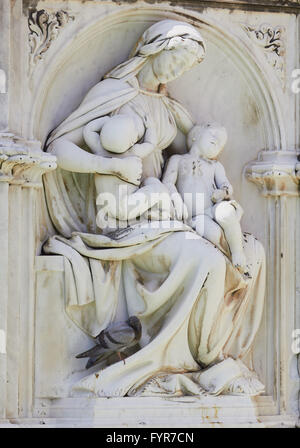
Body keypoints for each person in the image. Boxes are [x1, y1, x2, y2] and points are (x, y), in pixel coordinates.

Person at [43, 20, 266, 397]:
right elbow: (57, 149)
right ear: (153, 50)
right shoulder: (112, 94)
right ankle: (203, 359)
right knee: (208, 261)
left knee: (253, 250)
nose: (177, 73)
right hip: (125, 220)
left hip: (165, 213)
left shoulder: (169, 109)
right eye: (175, 62)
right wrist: (110, 166)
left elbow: (200, 147)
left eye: (184, 69)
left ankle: (202, 358)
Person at [162, 123, 247, 274]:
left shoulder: (215, 166)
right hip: (193, 217)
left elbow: (226, 185)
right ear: (195, 135)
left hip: (212, 208)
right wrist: (176, 199)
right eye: (213, 134)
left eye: (220, 143)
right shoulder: (178, 159)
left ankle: (238, 253)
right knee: (212, 233)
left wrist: (222, 193)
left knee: (226, 213)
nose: (217, 141)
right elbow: (167, 182)